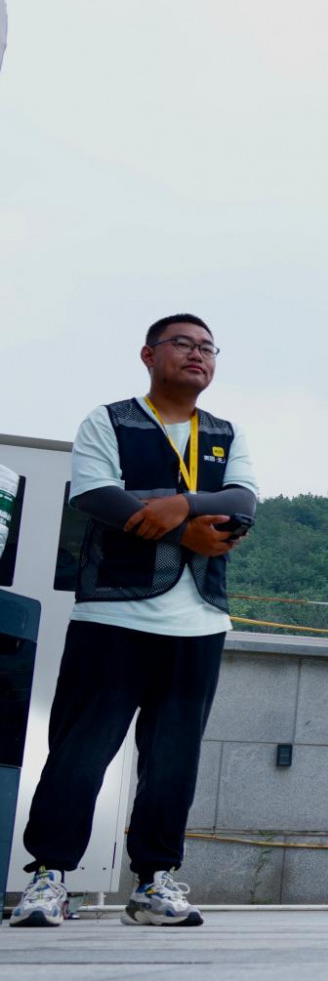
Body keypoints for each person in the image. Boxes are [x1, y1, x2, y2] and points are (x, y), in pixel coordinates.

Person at [9, 315, 258, 928]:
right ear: (149, 354)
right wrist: (187, 527)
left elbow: (242, 501)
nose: (197, 354)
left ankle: (154, 883)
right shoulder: (110, 420)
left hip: (198, 620)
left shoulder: (224, 433)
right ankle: (48, 878)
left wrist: (181, 502)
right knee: (79, 750)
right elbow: (96, 496)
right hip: (114, 612)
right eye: (183, 343)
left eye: (207, 347)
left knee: (174, 760)